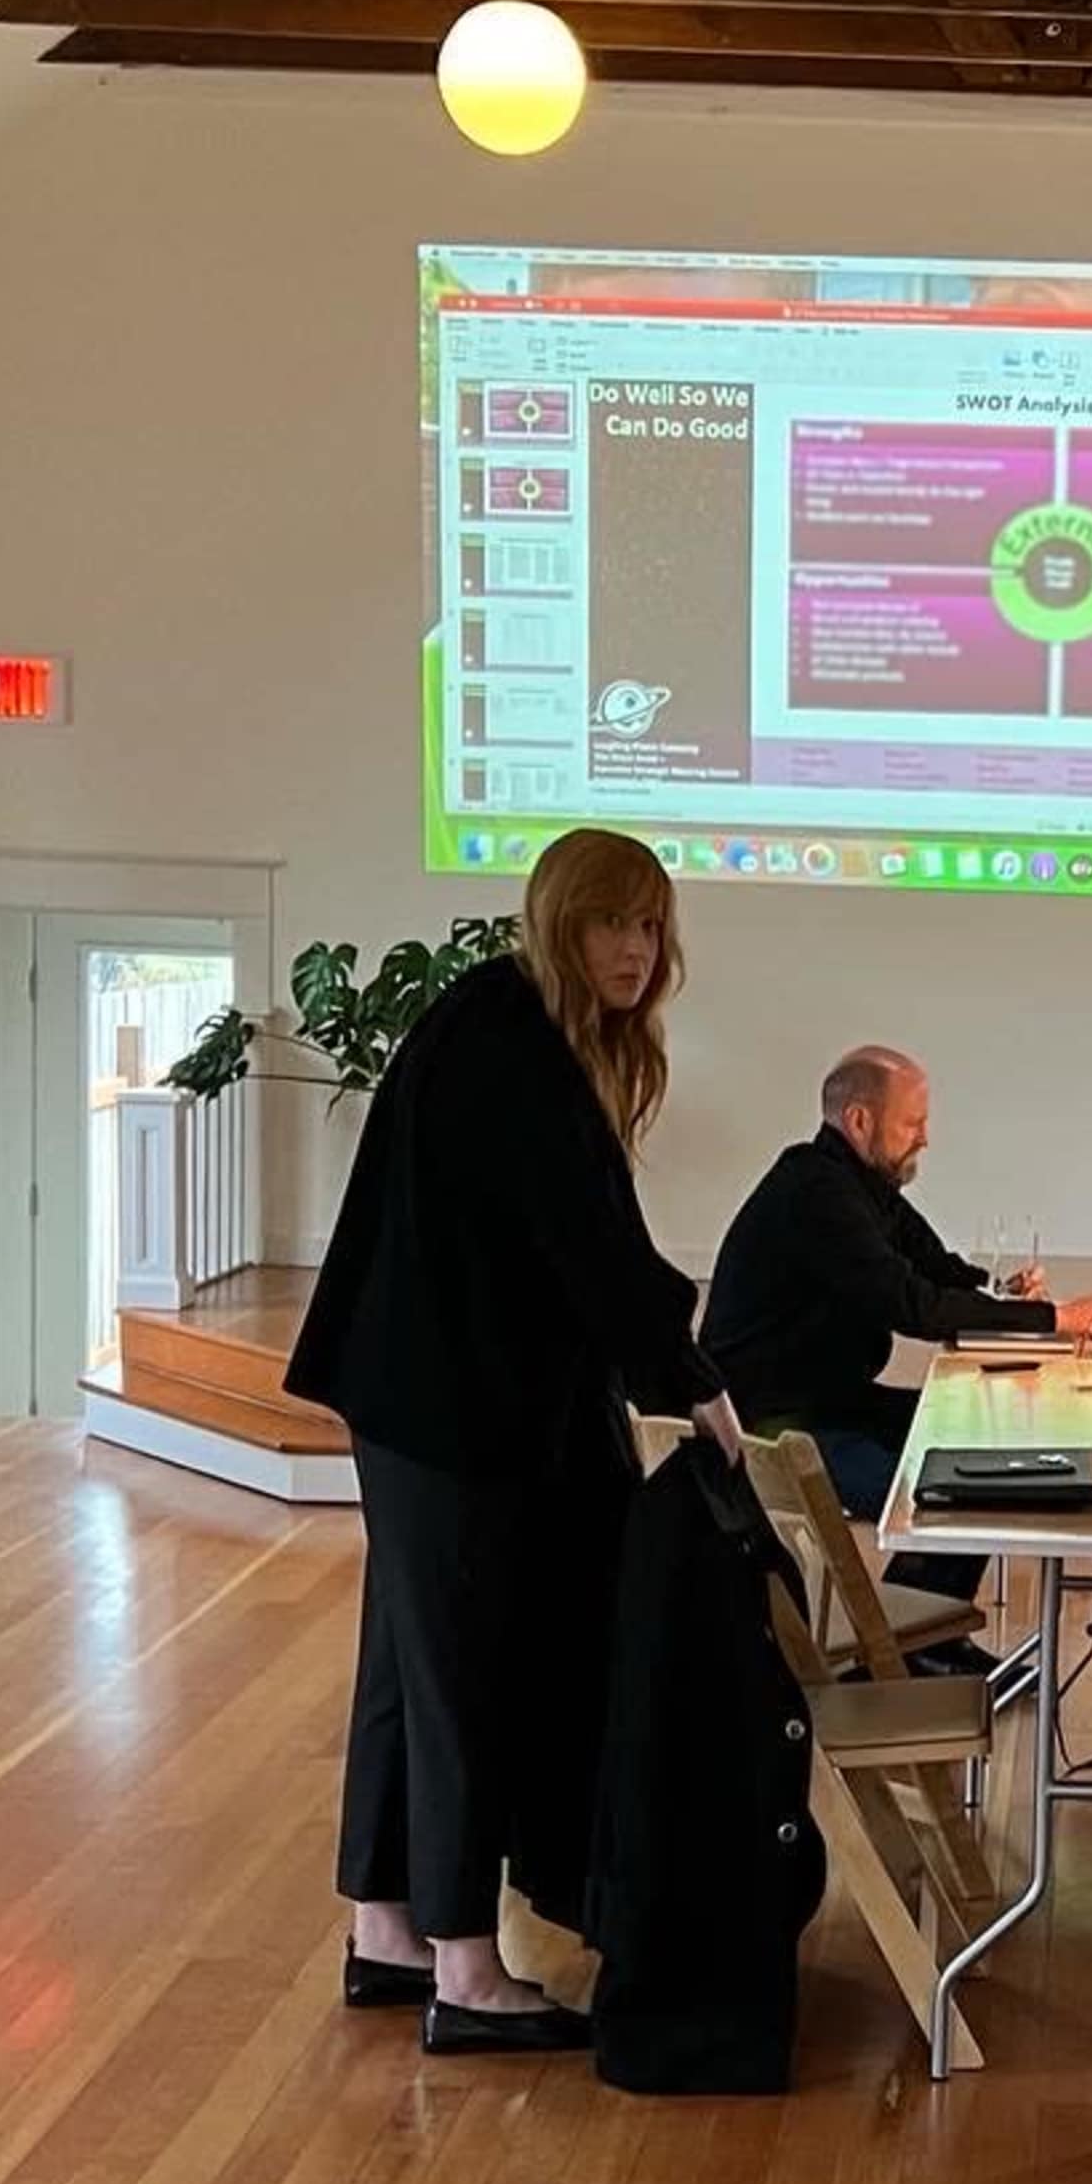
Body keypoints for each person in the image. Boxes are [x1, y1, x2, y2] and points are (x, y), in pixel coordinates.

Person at [286, 831, 738, 2061]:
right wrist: (691, 1385)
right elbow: (585, 1243)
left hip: (426, 1399)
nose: (636, 950)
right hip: (448, 1408)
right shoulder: (510, 1045)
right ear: (558, 925)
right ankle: (468, 1972)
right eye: (610, 926)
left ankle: (389, 1932)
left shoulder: (501, 1025)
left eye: (649, 926)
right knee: (464, 1675)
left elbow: (570, 1245)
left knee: (409, 1663)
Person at [700, 1043, 1092, 1524]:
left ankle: (924, 1598)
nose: (924, 1138)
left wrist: (1005, 1293)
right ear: (860, 1121)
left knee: (980, 1444)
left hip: (835, 1404)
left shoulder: (864, 1185)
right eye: (911, 1123)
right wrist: (1056, 1319)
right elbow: (912, 1306)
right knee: (954, 1497)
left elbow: (934, 1268)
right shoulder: (816, 1192)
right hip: (777, 1425)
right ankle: (915, 1599)